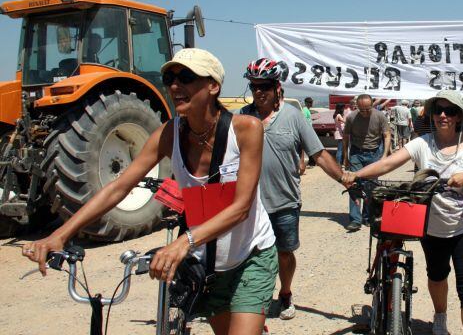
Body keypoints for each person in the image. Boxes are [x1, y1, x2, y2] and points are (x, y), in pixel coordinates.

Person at [22, 48, 277, 334]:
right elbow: (118, 187)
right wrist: (60, 235)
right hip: (208, 265)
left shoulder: (246, 129)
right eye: (169, 78)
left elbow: (241, 207)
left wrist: (184, 242)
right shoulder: (168, 135)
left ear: (213, 85)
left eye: (186, 77)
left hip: (250, 256)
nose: (175, 86)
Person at [342, 90, 463, 335]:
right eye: (438, 110)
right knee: (437, 275)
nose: (443, 115)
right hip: (431, 227)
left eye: (450, 111)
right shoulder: (422, 143)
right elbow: (388, 163)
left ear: (459, 117)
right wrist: (356, 174)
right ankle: (440, 315)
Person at [240, 58, 344, 320]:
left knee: (285, 253)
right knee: (250, 256)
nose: (258, 92)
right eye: (254, 87)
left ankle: (285, 293)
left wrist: (344, 179)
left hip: (284, 202)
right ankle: (252, 303)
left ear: (277, 88)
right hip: (248, 205)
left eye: (264, 86)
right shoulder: (242, 118)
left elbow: (319, 155)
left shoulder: (294, 117)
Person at [342, 94, 391, 231]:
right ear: (357, 106)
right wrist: (345, 157)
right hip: (356, 153)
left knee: (370, 187)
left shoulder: (379, 116)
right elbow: (346, 137)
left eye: (367, 109)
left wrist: (385, 155)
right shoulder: (351, 117)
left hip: (374, 153)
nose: (364, 112)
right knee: (354, 185)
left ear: (372, 105)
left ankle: (367, 216)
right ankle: (355, 220)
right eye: (361, 109)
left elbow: (387, 135)